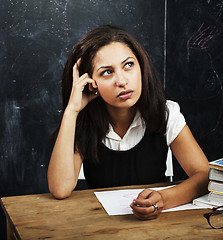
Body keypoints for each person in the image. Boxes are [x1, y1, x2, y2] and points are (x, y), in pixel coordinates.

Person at [47, 25, 209, 220]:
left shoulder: (166, 113)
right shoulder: (83, 121)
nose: (122, 81)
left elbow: (204, 175)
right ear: (90, 83)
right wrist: (72, 110)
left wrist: (164, 199)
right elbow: (60, 189)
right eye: (107, 72)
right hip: (100, 226)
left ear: (141, 67)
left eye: (129, 65)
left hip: (158, 226)